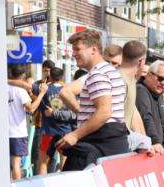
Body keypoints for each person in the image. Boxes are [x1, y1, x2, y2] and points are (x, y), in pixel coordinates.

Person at [53, 29, 130, 170]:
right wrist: (82, 112)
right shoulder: (111, 71)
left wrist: (75, 135)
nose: (74, 53)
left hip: (100, 142)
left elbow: (105, 112)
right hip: (113, 141)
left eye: (78, 49)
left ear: (93, 49)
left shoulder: (97, 74)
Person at [7, 64, 46, 180]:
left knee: (3, 166)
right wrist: (42, 94)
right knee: (16, 165)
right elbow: (31, 108)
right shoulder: (20, 91)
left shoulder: (1, 87)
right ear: (23, 76)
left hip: (2, 133)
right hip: (17, 132)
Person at [37, 66, 76, 174]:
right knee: (64, 163)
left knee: (43, 163)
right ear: (62, 77)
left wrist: (45, 80)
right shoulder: (68, 90)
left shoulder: (44, 89)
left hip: (48, 132)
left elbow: (30, 85)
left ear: (50, 77)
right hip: (65, 132)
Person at [135, 60, 164, 151]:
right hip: (147, 149)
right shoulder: (140, 90)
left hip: (157, 149)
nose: (163, 83)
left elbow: (163, 124)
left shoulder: (158, 95)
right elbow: (147, 117)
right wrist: (155, 142)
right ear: (149, 75)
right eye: (160, 78)